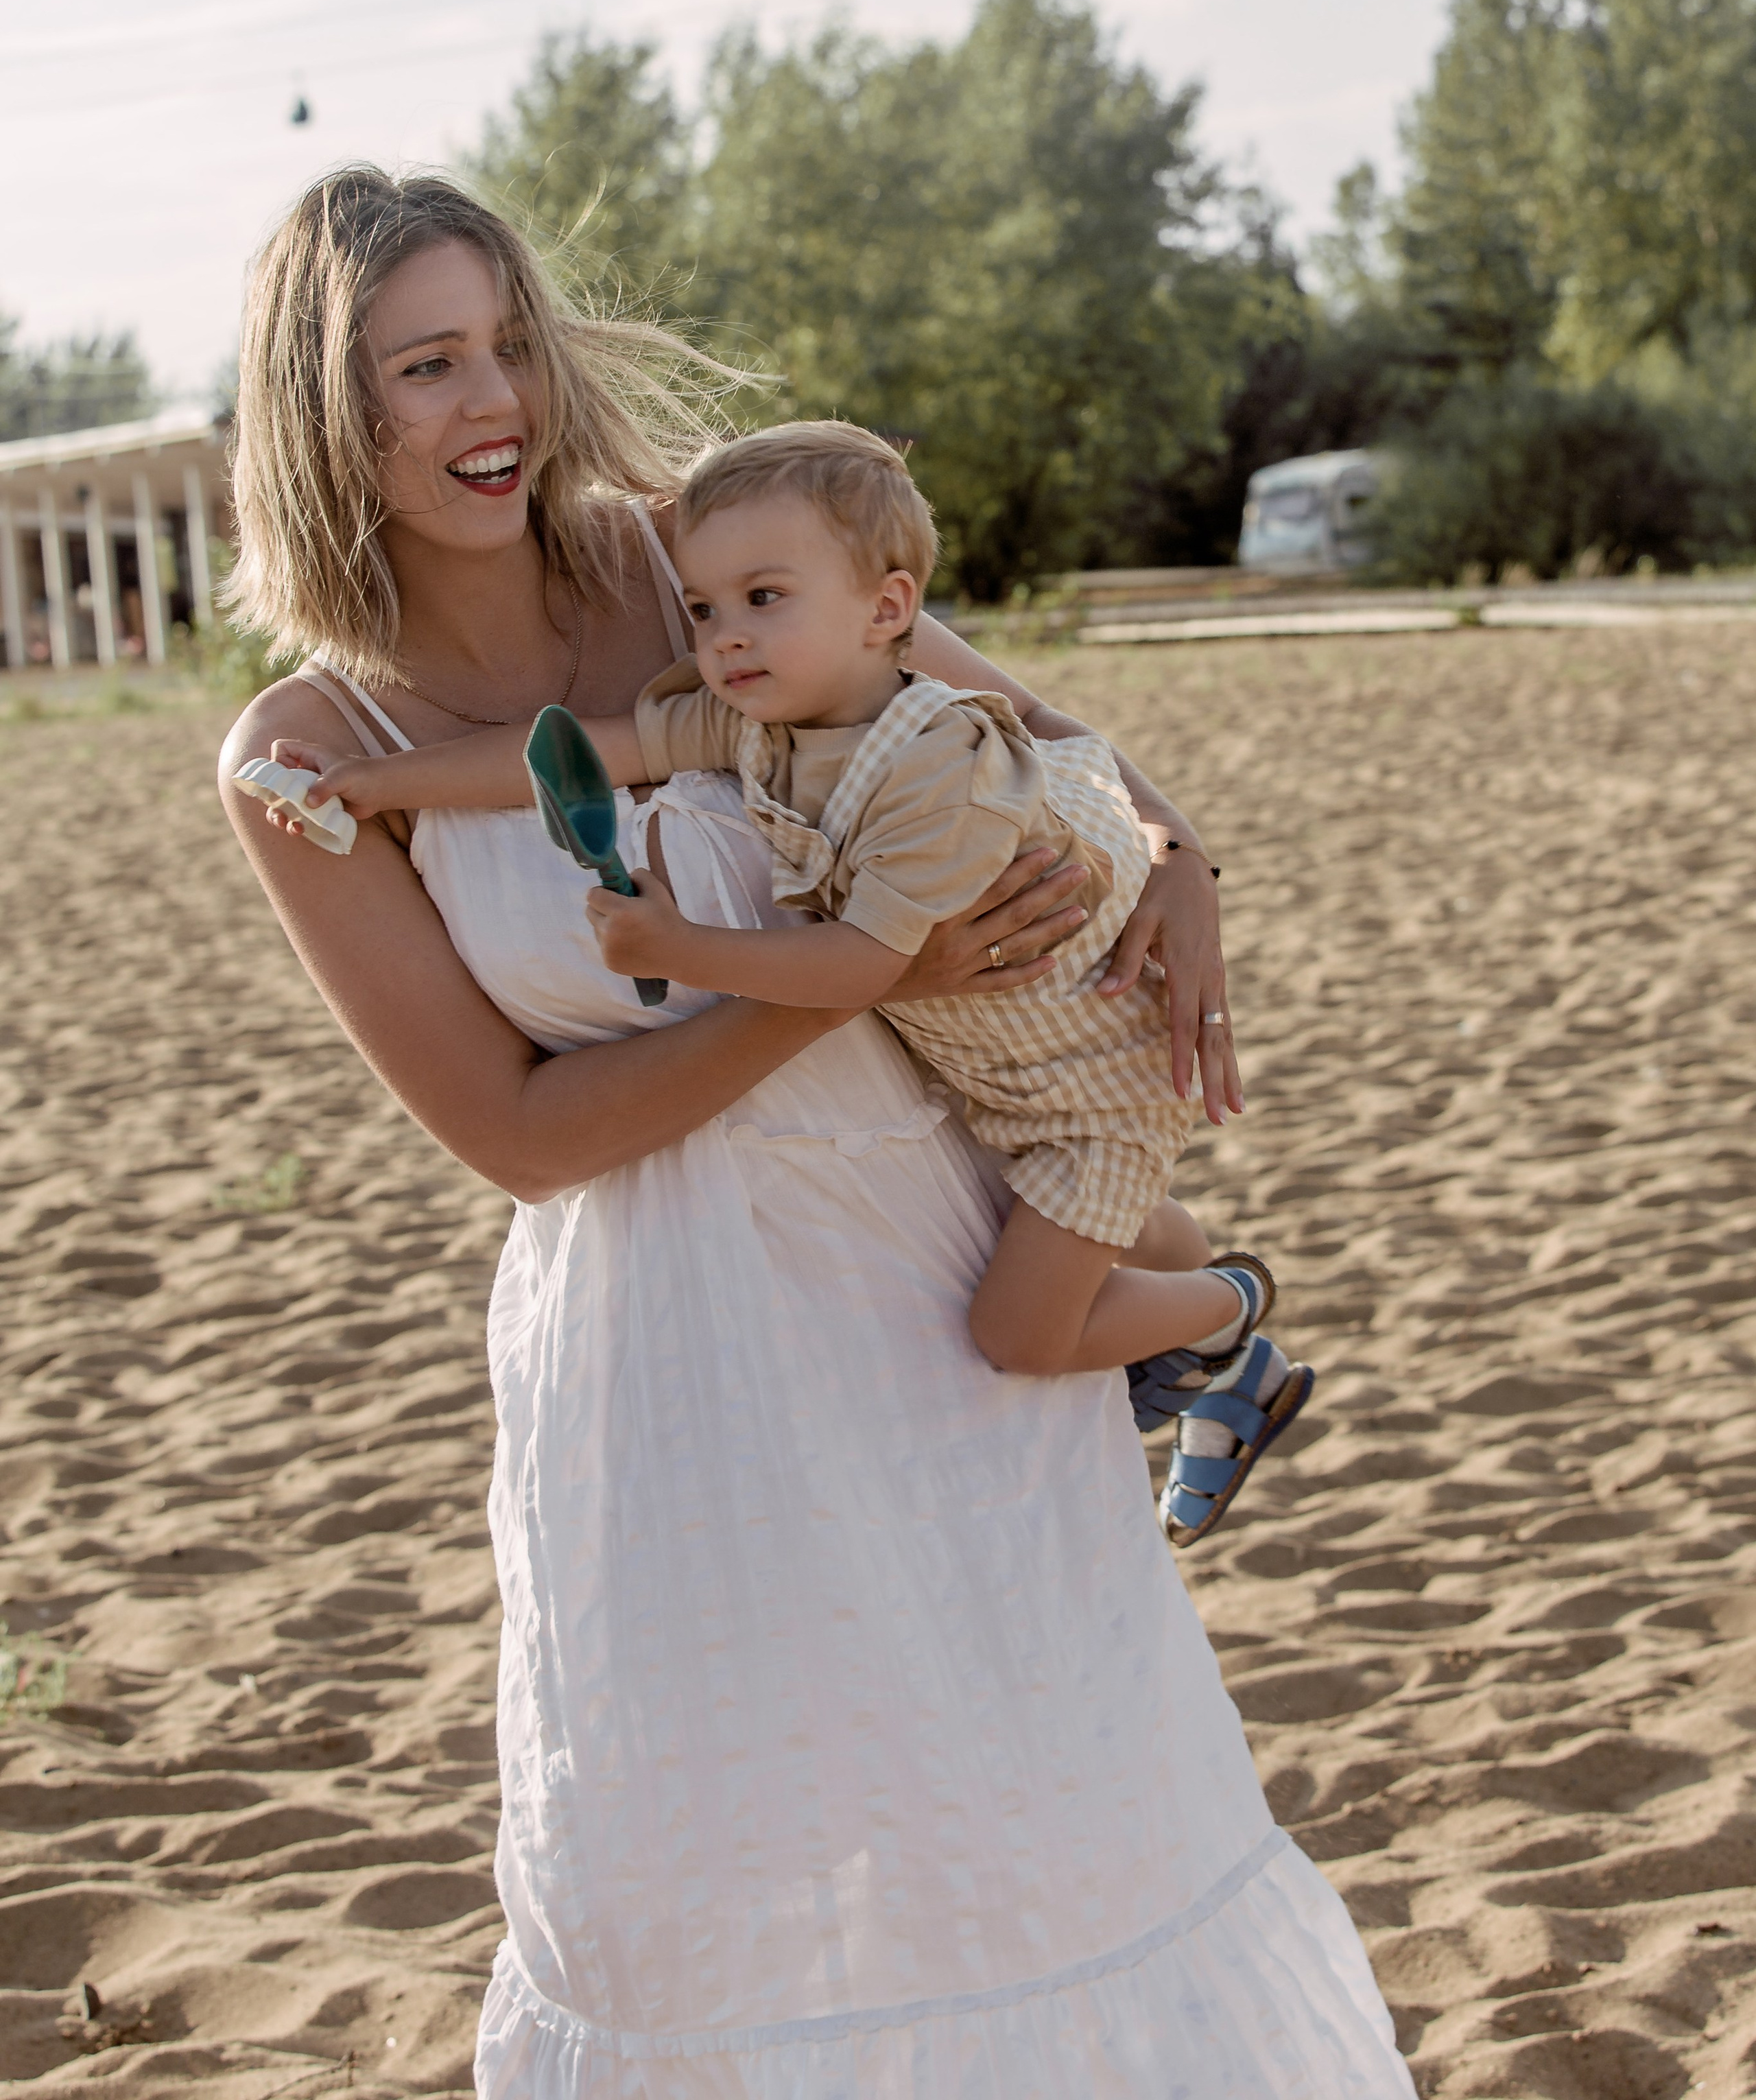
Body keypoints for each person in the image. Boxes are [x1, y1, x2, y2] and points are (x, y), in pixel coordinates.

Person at [218, 165, 1414, 2098]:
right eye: (424, 366)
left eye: (507, 342)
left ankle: (1206, 1322)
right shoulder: (310, 751)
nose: (492, 399)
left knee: (1045, 1827)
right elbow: (519, 1138)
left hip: (930, 1271)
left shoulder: (695, 562)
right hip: (660, 1360)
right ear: (318, 410)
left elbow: (1036, 743)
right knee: (706, 1886)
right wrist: (866, 970)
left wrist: (1181, 861)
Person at [263, 418, 1311, 1548]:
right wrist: (382, 783)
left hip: (1086, 1088)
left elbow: (866, 963)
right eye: (703, 610)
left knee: (1021, 1331)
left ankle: (1228, 1314)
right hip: (994, 1070)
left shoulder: (936, 770)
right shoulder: (757, 717)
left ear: (888, 609)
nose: (725, 636)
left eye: (764, 600)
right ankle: (1201, 1333)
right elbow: (583, 753)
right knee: (1093, 1234)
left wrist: (677, 949)